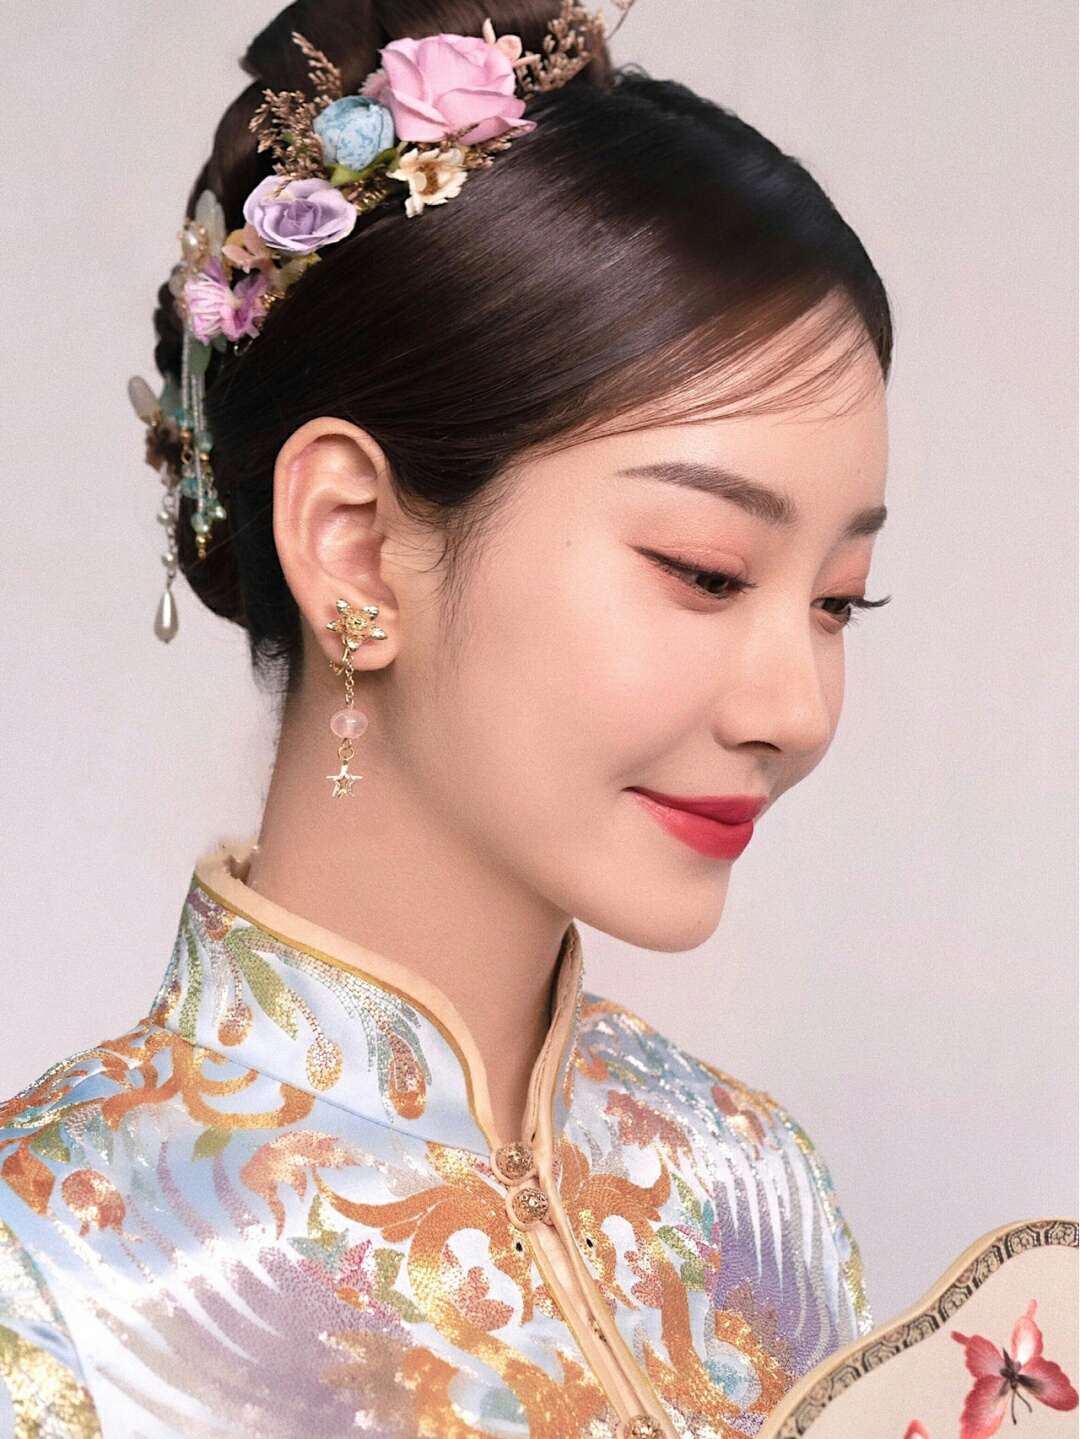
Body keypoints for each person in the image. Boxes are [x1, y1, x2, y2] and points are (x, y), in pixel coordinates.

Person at [0, 1, 893, 1434]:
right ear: (354, 543)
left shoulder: (752, 1185)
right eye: (707, 571)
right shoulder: (56, 1268)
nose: (798, 711)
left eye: (841, 599)